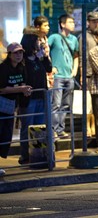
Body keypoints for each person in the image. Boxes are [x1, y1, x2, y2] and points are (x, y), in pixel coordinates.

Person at [17, 28, 52, 165]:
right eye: (38, 40)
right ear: (31, 41)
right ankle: (25, 155)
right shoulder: (23, 60)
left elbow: (48, 68)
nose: (40, 42)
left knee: (39, 127)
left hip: (41, 96)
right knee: (27, 127)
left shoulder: (38, 57)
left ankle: (38, 155)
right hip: (29, 98)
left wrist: (45, 56)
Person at [0, 43, 32, 176]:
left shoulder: (21, 67)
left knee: (6, 136)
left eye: (21, 53)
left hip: (11, 105)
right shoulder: (3, 68)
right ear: (9, 54)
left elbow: (22, 83)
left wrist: (25, 90)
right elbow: (2, 88)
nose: (19, 55)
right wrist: (20, 89)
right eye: (16, 53)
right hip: (2, 105)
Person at [48, 14, 79, 139]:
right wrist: (50, 68)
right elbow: (45, 51)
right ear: (62, 24)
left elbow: (76, 55)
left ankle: (60, 129)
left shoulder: (74, 39)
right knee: (55, 104)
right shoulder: (54, 37)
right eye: (70, 22)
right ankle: (53, 129)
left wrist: (75, 69)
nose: (73, 24)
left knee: (65, 104)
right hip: (58, 76)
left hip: (69, 76)